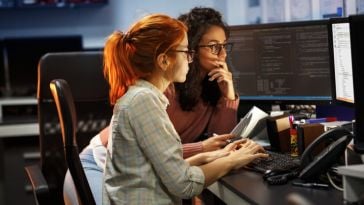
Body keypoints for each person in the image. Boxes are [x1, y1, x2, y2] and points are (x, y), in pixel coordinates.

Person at [63, 7, 245, 205]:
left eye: (224, 46)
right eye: (213, 46)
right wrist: (204, 150)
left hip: (139, 175)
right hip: (99, 164)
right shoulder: (155, 92)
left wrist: (227, 96)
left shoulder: (203, 87)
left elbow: (220, 138)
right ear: (167, 59)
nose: (223, 54)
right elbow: (161, 156)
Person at [100, 13, 267, 204]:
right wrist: (234, 160)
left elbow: (158, 167)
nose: (190, 59)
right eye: (186, 52)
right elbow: (184, 184)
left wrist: (217, 154)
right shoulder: (144, 101)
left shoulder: (144, 97)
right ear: (163, 61)